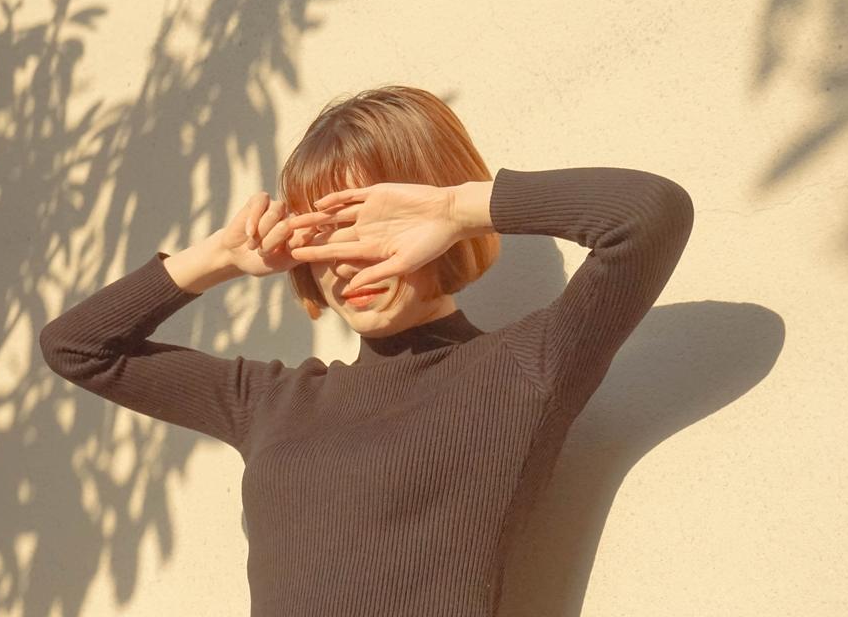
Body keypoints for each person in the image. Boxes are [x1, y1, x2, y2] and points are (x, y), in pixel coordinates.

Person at [39, 86, 695, 617]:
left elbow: (647, 215)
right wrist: (220, 257)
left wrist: (456, 207)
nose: (347, 259)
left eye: (367, 227)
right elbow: (78, 347)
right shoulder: (270, 402)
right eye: (322, 236)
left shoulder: (522, 368)